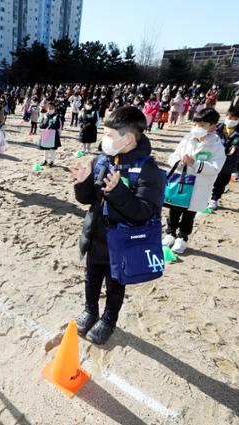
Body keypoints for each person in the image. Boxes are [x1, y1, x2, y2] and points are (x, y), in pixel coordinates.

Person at [72, 106, 164, 344]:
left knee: (115, 284)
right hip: (96, 236)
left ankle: (108, 319)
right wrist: (82, 184)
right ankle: (90, 310)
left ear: (129, 138)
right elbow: (88, 200)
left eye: (110, 135)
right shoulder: (101, 160)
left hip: (122, 242)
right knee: (92, 277)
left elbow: (144, 212)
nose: (105, 140)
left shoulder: (147, 169)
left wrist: (118, 191)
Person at [163, 108, 225, 254]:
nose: (197, 128)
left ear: (213, 127)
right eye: (196, 124)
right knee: (174, 209)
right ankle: (170, 234)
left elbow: (216, 168)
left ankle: (182, 238)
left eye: (202, 125)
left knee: (189, 214)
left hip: (198, 186)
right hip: (181, 182)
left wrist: (194, 163)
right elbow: (173, 157)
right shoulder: (187, 139)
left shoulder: (216, 146)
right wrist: (179, 162)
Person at [208, 106, 239, 210]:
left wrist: (237, 149)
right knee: (209, 179)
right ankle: (205, 196)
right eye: (230, 117)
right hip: (213, 160)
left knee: (221, 182)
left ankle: (214, 199)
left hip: (228, 162)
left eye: (235, 119)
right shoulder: (217, 128)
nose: (231, 121)